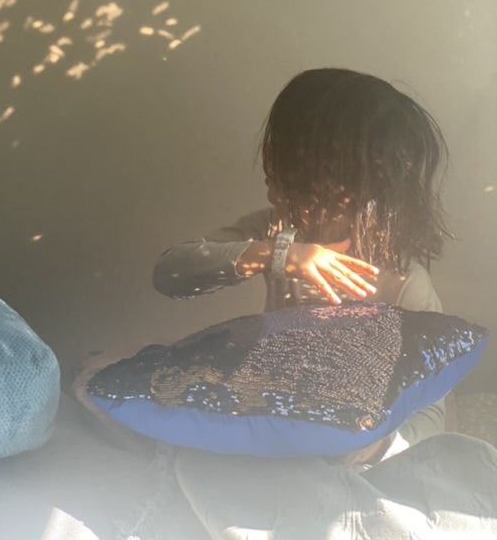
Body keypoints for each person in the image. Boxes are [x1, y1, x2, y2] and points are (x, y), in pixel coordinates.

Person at [153, 67, 454, 463]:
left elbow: (432, 411)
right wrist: (276, 254)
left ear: (341, 176)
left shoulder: (404, 281)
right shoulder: (275, 229)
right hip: (272, 410)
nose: (267, 167)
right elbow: (170, 274)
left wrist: (370, 448)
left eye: (285, 156)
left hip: (348, 443)